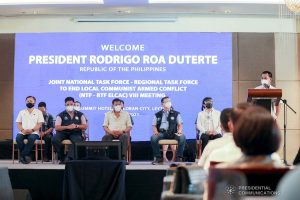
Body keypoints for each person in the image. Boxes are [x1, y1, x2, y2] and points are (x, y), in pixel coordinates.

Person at [151, 96, 186, 164]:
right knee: (153, 138)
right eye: (166, 101)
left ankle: (178, 157)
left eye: (169, 101)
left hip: (173, 133)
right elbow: (154, 125)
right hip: (162, 133)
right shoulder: (157, 114)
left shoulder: (176, 113)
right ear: (162, 104)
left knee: (182, 137)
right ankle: (158, 158)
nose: (168, 103)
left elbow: (180, 124)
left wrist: (179, 131)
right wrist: (155, 131)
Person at [52, 97, 87, 164]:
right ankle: (63, 157)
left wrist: (77, 126)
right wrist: (67, 127)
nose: (69, 106)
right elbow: (57, 127)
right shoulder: (60, 115)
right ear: (65, 105)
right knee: (55, 139)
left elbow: (85, 126)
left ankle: (69, 157)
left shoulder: (80, 114)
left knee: (77, 140)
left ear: (74, 104)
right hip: (63, 133)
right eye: (68, 104)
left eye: (71, 104)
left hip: (75, 132)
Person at [16, 96, 44, 164]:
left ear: (34, 102)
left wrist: (32, 130)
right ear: (25, 102)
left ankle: (22, 156)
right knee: (18, 138)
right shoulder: (21, 112)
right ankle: (26, 156)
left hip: (34, 132)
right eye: (28, 101)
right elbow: (18, 123)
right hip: (23, 132)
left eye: (31, 101)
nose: (29, 102)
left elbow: (39, 124)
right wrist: (22, 130)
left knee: (31, 138)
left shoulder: (38, 112)